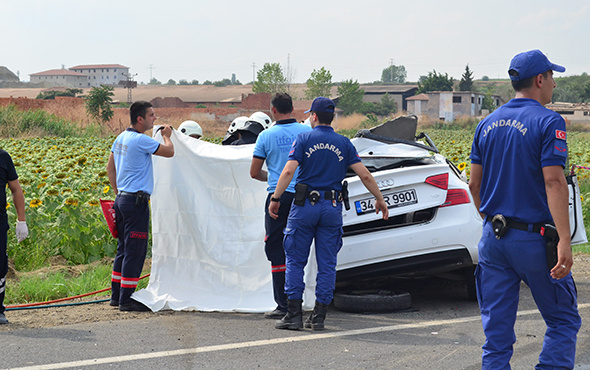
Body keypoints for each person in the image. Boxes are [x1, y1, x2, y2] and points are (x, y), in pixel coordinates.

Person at [469, 50, 581, 369]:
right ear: (540, 79)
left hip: (493, 238)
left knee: (497, 338)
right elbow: (554, 183)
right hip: (534, 240)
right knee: (562, 321)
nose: (555, 85)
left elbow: (474, 186)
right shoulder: (548, 121)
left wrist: (490, 223)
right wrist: (563, 240)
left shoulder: (486, 124)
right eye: (553, 77)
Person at [269, 97, 389, 330]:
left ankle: (294, 315)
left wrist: (275, 198)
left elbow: (288, 171)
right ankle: (319, 317)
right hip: (332, 208)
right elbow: (364, 175)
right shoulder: (344, 143)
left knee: (295, 260)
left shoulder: (303, 139)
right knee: (327, 263)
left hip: (304, 207)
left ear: (313, 116)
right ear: (331, 117)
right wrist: (380, 199)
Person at [106, 101, 175, 312]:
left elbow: (110, 168)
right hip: (136, 201)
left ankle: (116, 296)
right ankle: (127, 299)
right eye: (151, 115)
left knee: (123, 249)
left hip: (122, 200)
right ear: (140, 119)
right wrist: (167, 136)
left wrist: (119, 193)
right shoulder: (139, 140)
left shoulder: (120, 138)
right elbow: (169, 152)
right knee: (135, 251)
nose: (154, 119)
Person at [250, 93, 312, 319]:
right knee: (299, 247)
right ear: (293, 108)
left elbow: (254, 172)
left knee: (276, 249)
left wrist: (275, 179)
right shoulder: (307, 133)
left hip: (279, 197)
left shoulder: (266, 136)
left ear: (273, 111)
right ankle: (300, 299)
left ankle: (283, 305)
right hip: (305, 197)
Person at [0, 150, 28, 324]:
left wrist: (21, 220)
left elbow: (16, 189)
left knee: (0, 265)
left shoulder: (3, 157)